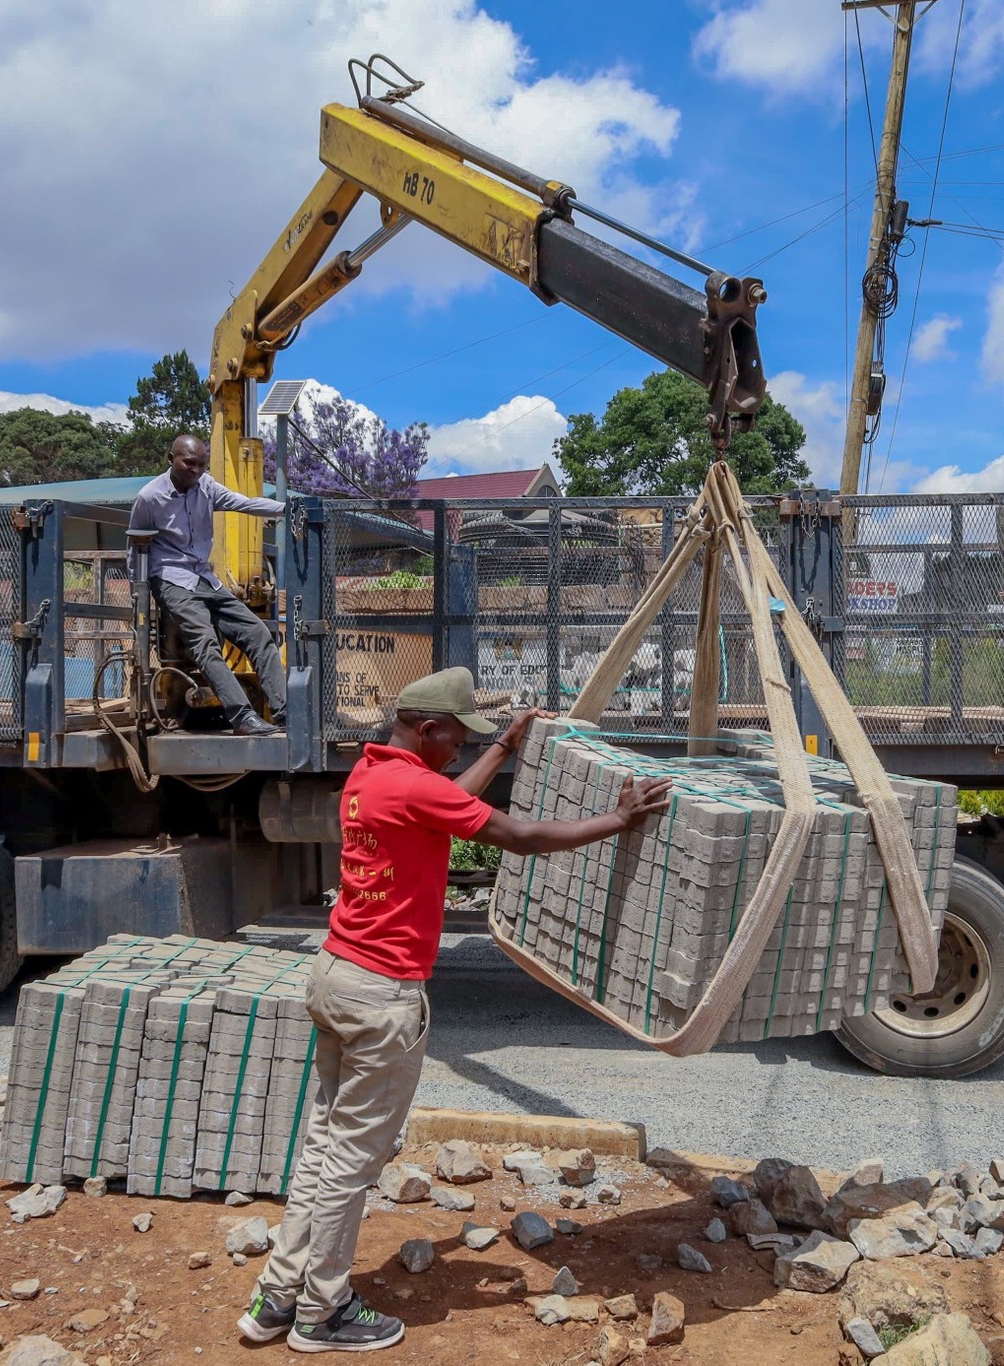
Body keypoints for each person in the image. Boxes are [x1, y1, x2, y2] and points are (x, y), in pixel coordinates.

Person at [238, 666, 671, 1353]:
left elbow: (444, 801)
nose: (461, 753)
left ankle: (277, 1298)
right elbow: (518, 836)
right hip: (381, 995)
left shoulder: (373, 776)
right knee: (352, 1163)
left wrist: (503, 748)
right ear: (428, 729)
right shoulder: (412, 785)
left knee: (323, 1148)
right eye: (458, 742)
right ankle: (323, 1313)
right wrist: (620, 819)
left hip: (336, 975)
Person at [128, 434, 288, 735]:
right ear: (170, 459)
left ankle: (285, 713)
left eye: (202, 465)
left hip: (204, 578)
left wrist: (285, 509)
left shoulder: (207, 487)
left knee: (257, 633)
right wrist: (137, 599)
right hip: (171, 580)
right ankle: (242, 717)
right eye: (190, 463)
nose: (197, 470)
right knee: (205, 643)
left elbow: (246, 504)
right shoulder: (149, 498)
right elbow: (134, 548)